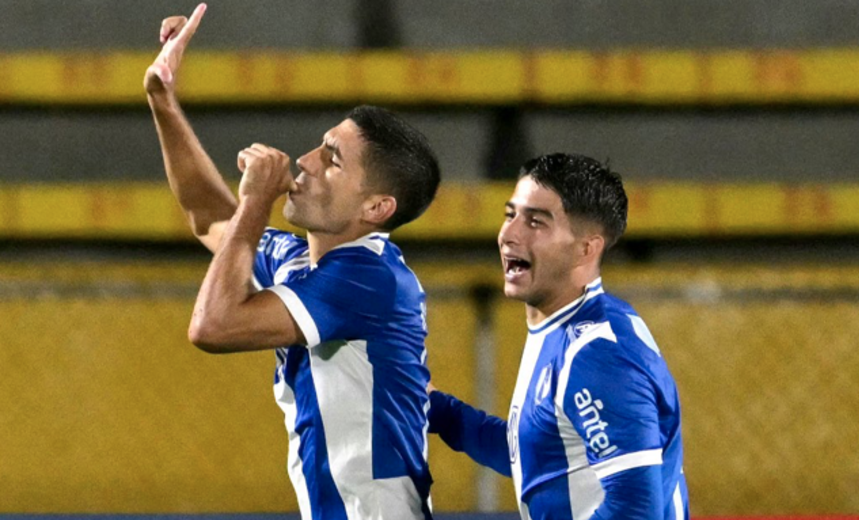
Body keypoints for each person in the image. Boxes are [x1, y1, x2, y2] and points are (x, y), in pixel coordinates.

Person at [143, 5, 441, 519]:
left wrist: (257, 202)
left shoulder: (369, 277)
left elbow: (213, 326)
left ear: (376, 208)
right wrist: (163, 100)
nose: (305, 161)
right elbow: (209, 216)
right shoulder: (306, 264)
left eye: (332, 159)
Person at [428, 153, 689, 520]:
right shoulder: (564, 328)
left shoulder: (597, 354)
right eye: (510, 215)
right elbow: (541, 453)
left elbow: (635, 511)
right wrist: (438, 410)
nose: (509, 234)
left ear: (586, 248)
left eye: (535, 222)